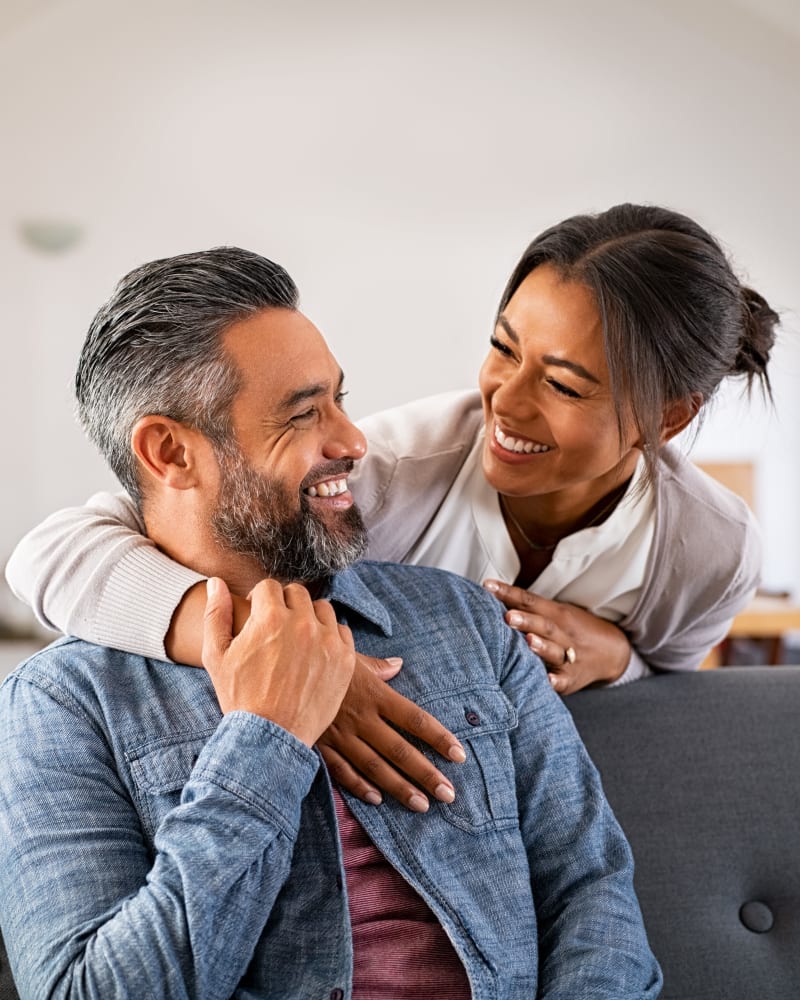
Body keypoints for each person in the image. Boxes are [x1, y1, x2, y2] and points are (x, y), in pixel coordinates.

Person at [0, 247, 661, 998]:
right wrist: (265, 740)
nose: (353, 441)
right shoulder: (64, 705)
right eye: (304, 412)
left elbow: (591, 890)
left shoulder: (467, 621)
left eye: (342, 400)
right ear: (169, 451)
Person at [5, 203, 778, 807]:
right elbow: (50, 556)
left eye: (564, 384)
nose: (504, 402)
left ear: (667, 418)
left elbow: (672, 692)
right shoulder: (391, 470)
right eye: (503, 348)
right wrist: (285, 659)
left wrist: (620, 659)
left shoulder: (710, 550)